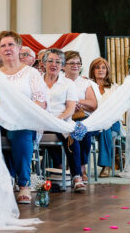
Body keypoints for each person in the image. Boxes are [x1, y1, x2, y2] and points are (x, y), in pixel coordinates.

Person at [0, 30, 47, 204]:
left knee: (21, 131)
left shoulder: (31, 73)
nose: (7, 48)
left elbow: (40, 101)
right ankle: (3, 180)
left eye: (11, 45)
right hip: (0, 121)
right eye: (3, 45)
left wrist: (22, 115)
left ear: (19, 48)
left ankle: (24, 183)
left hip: (25, 120)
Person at [42, 48, 86, 192]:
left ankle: (76, 177)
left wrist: (56, 120)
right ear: (44, 63)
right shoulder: (36, 81)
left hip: (61, 121)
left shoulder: (68, 83)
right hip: (39, 121)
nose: (53, 64)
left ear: (62, 66)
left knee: (71, 133)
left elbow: (70, 109)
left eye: (57, 62)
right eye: (50, 61)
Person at [64, 51, 98, 181]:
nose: (75, 65)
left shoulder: (85, 83)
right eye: (71, 63)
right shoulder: (60, 81)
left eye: (78, 63)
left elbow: (93, 104)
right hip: (65, 116)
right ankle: (61, 168)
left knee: (84, 129)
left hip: (82, 116)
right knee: (69, 130)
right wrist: (70, 105)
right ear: (64, 65)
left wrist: (77, 103)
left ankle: (82, 168)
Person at [89, 57, 121, 177]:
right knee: (102, 126)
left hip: (113, 122)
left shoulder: (114, 87)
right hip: (93, 121)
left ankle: (106, 165)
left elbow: (119, 107)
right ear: (92, 70)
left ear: (107, 70)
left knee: (105, 126)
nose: (100, 70)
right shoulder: (88, 86)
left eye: (103, 68)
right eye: (97, 67)